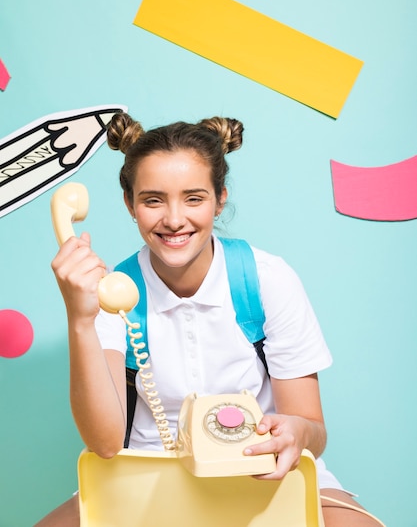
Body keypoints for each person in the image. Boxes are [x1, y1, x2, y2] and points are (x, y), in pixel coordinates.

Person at [35, 113, 384, 527]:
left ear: (220, 198)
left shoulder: (267, 278)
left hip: (259, 469)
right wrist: (80, 318)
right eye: (153, 200)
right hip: (145, 472)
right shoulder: (113, 293)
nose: (174, 219)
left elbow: (314, 431)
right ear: (130, 204)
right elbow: (105, 444)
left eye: (194, 198)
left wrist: (296, 433)